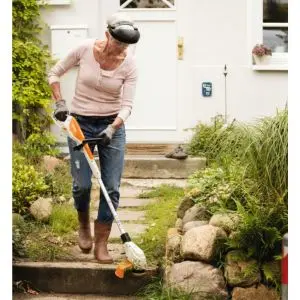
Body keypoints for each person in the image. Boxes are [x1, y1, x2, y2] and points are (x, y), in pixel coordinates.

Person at [48, 12, 140, 263]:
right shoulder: (84, 49)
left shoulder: (129, 64)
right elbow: (54, 74)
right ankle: (83, 225)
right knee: (82, 185)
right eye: (118, 42)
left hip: (112, 126)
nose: (121, 49)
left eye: (126, 45)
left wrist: (113, 127)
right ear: (107, 34)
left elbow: (128, 105)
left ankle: (102, 243)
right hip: (80, 125)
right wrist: (60, 102)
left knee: (111, 187)